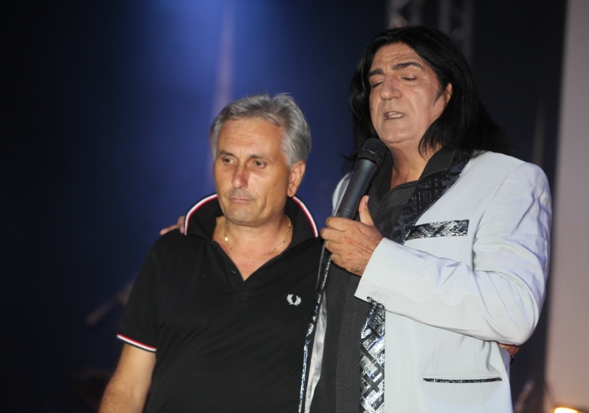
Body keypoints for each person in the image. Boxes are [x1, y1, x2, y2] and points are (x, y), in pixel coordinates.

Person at [305, 26, 552, 413]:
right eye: (376, 82)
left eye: (407, 76)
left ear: (447, 94)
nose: (387, 92)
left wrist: (378, 260)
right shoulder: (350, 190)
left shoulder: (505, 180)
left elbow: (513, 310)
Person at [98, 93, 322, 413]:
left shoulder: (326, 267)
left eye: (257, 163)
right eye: (227, 160)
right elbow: (128, 387)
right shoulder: (172, 252)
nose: (238, 179)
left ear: (294, 177)